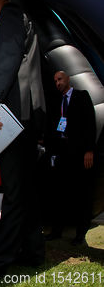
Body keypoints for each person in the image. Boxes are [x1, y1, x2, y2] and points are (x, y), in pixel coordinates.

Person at [0, 0, 46, 276]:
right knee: (26, 191)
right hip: (28, 117)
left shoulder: (10, 15)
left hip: (11, 116)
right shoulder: (28, 17)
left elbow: (5, 57)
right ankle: (32, 251)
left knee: (15, 193)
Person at [44, 71, 96, 245]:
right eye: (55, 81)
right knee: (59, 193)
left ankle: (80, 234)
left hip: (79, 154)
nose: (57, 83)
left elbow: (90, 123)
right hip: (61, 153)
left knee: (81, 194)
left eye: (60, 79)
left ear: (68, 79)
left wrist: (89, 150)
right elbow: (52, 127)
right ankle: (56, 230)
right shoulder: (55, 101)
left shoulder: (81, 96)